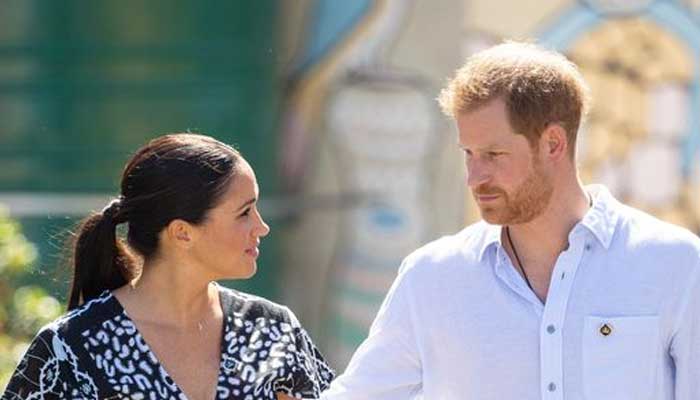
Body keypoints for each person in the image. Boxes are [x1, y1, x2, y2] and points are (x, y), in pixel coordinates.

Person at [320, 41, 700, 399]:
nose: (474, 177)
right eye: (468, 153)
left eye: (494, 154)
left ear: (553, 143)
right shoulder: (432, 278)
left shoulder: (675, 265)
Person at [2, 133, 334, 400]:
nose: (261, 227)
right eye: (244, 213)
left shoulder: (273, 330)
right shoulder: (70, 348)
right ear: (182, 233)